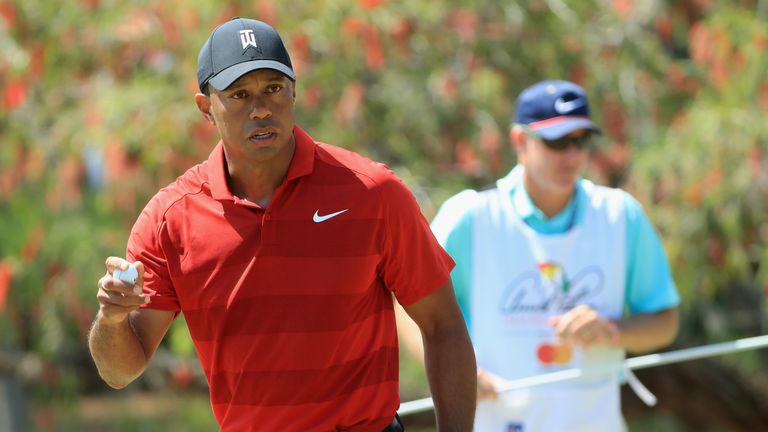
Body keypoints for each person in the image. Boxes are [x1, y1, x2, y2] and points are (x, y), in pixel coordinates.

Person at [88, 17, 476, 432]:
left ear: (294, 90)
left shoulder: (373, 192)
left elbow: (443, 326)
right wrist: (112, 319)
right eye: (239, 94)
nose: (260, 108)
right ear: (206, 108)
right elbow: (119, 371)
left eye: (273, 88)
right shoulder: (170, 220)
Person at [424, 79, 680, 431]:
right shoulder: (470, 216)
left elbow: (664, 322)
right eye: (557, 141)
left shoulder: (621, 215)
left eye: (581, 141)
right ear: (519, 141)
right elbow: (410, 311)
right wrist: (458, 372)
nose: (572, 156)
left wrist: (611, 329)